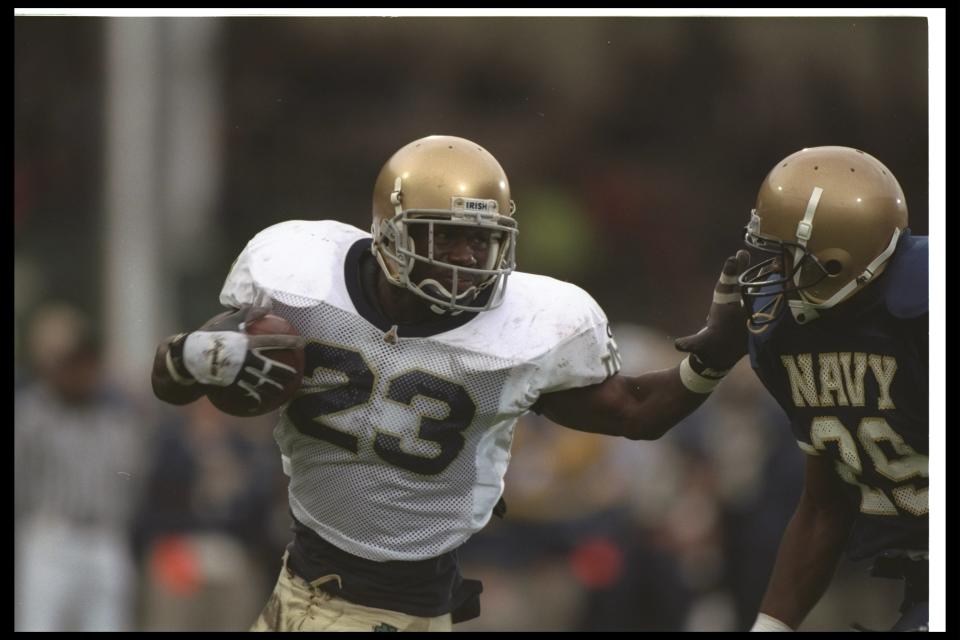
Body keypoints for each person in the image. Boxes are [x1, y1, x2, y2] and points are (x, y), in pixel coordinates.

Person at [150, 134, 748, 631]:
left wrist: (714, 358)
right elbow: (176, 378)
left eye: (482, 241)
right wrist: (192, 359)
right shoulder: (300, 279)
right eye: (447, 237)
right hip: (301, 576)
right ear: (389, 232)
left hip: (403, 602)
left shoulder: (526, 329)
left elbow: (633, 412)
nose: (466, 259)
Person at [705, 147, 927, 632]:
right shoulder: (790, 337)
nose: (770, 275)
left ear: (835, 260)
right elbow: (825, 502)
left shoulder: (925, 316)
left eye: (787, 257)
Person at [15, 303, 148, 631]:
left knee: (108, 624)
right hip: (51, 534)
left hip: (105, 537)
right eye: (70, 365)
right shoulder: (33, 414)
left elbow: (134, 480)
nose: (79, 373)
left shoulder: (116, 417)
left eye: (86, 365)